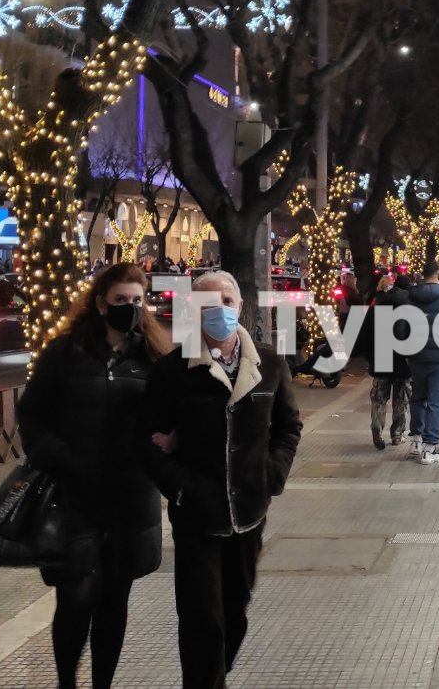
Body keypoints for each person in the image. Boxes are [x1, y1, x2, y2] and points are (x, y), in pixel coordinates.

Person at [139, 270, 303, 688]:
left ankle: (213, 677)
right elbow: (148, 441)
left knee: (234, 612)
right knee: (202, 619)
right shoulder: (173, 371)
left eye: (227, 302)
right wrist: (181, 488)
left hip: (248, 513)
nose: (220, 312)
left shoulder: (269, 364)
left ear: (240, 306)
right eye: (209, 305)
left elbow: (288, 426)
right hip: (198, 515)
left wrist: (272, 474)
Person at [17, 263, 172, 689]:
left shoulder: (155, 357)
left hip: (131, 497)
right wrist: (63, 459)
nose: (130, 307)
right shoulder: (65, 352)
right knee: (76, 596)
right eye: (121, 300)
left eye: (137, 300)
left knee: (114, 599)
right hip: (75, 496)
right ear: (101, 303)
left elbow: (171, 416)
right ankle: (67, 681)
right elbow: (32, 417)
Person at [407, 262, 439, 464]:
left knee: (417, 397)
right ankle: (430, 447)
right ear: (438, 275)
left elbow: (401, 327)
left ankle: (416, 440)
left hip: (416, 357)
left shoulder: (410, 298)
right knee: (436, 401)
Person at [364, 274, 413, 449]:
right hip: (402, 359)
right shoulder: (410, 306)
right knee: (401, 398)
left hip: (381, 356)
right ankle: (397, 433)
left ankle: (377, 426)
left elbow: (366, 333)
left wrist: (370, 357)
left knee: (379, 396)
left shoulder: (378, 303)